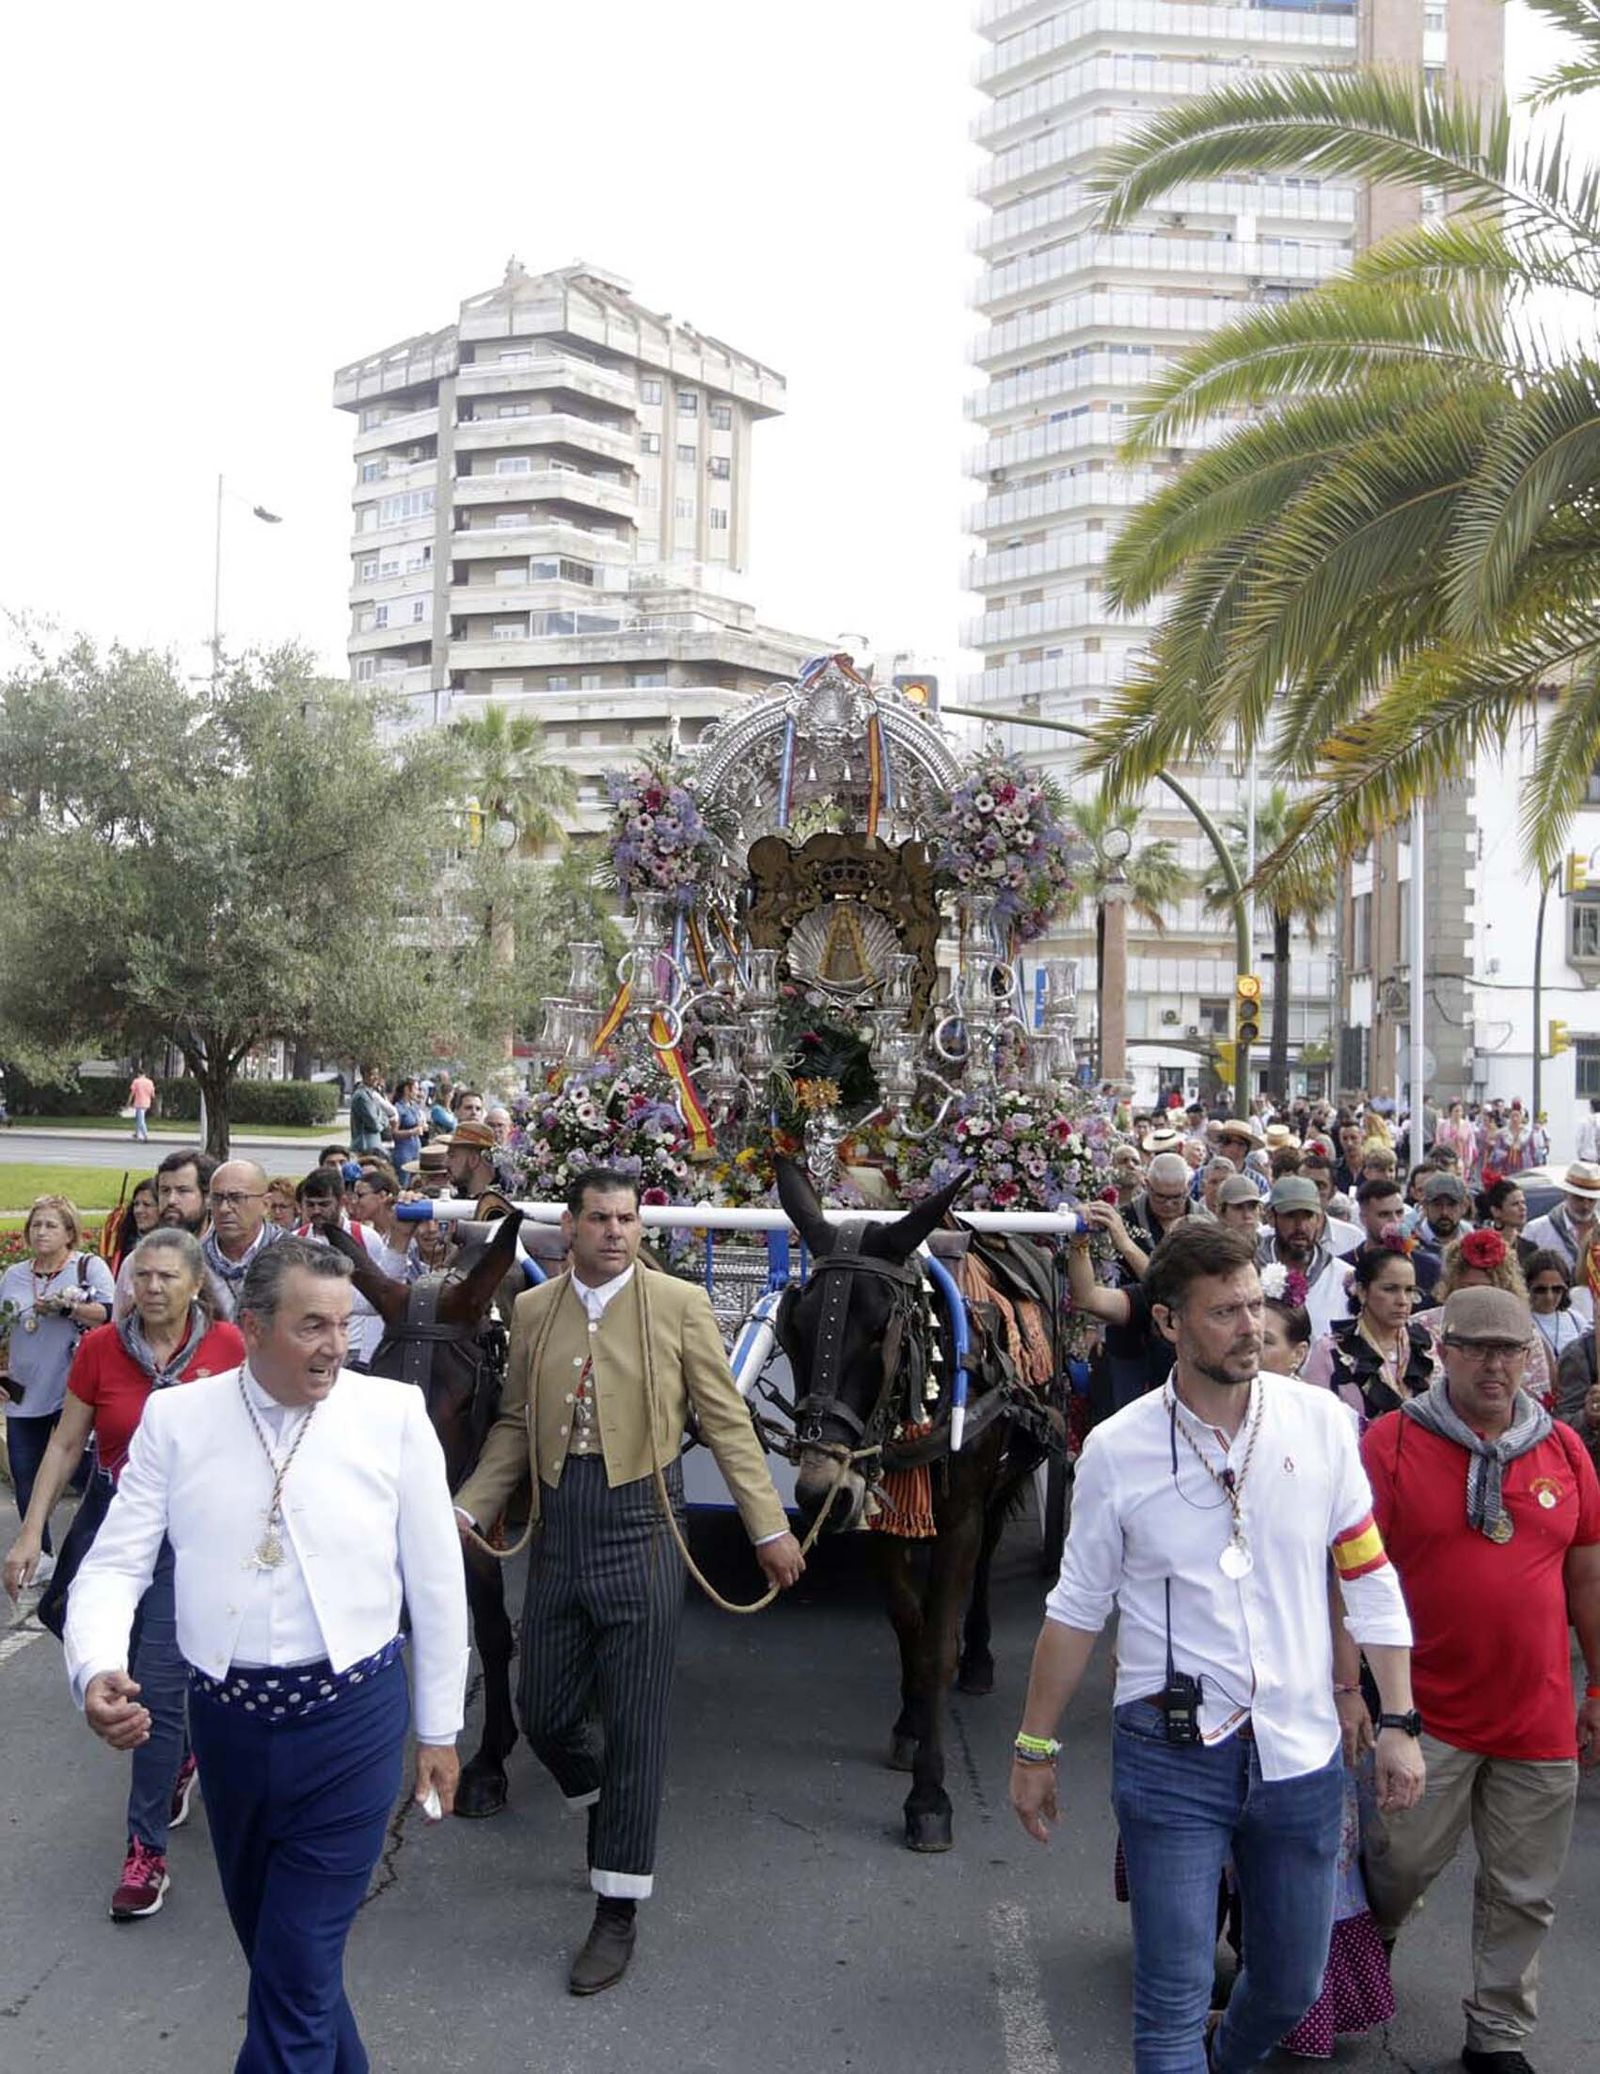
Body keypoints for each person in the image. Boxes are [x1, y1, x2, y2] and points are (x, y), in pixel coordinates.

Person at [1009, 1222, 1422, 2073]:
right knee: (1169, 2001)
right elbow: (1077, 1610)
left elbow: (1367, 1575)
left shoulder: (1319, 1425)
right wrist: (1034, 1746)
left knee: (1290, 1986)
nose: (1246, 1327)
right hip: (1169, 1756)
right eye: (1223, 1311)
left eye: (1254, 1307)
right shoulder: (1118, 1451)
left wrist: (1398, 1718)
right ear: (1167, 1323)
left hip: (1300, 1752)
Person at [60, 1239, 467, 2067]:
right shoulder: (178, 1421)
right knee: (288, 1968)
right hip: (229, 1731)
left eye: (342, 1324)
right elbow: (113, 1565)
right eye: (310, 1325)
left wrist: (439, 1730)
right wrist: (97, 1666)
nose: (334, 1345)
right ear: (249, 1326)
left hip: (351, 1724)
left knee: (294, 1973)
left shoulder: (391, 1415)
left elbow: (435, 1582)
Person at [452, 1168, 804, 1995]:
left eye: (627, 1219)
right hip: (558, 1529)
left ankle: (616, 1907)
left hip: (645, 1526)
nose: (615, 1231)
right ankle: (605, 1800)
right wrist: (467, 1510)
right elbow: (512, 1424)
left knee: (638, 1724)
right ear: (568, 1227)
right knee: (541, 1709)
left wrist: (769, 1527)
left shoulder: (679, 1305)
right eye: (599, 1218)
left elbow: (724, 1421)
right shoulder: (534, 1310)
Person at [1360, 1285, 1600, 2074]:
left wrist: (1597, 1688)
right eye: (1480, 1348)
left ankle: (1497, 2037)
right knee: (1397, 1867)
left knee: (1524, 1889)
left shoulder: (1564, 1451)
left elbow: (1589, 1582)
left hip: (1536, 1716)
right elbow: (1352, 1579)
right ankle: (1369, 1941)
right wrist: (1353, 1698)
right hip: (1424, 1715)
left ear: (1530, 1358)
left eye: (1512, 1350)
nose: (1497, 1366)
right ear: (1446, 1351)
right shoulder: (1390, 1445)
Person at [4, 1230, 245, 1916]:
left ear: (196, 1284)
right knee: (80, 1625)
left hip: (195, 1532)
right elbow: (65, 1443)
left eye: (168, 1276)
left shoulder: (230, 1350)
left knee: (156, 1682)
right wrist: (28, 1533)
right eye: (142, 1276)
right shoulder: (103, 1348)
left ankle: (146, 1853)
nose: (152, 1288)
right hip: (117, 1516)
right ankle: (179, 1757)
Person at [0, 1196, 115, 1578]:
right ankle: (42, 1552)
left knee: (85, 1471)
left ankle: (104, 1541)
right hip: (24, 1388)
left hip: (73, 1389)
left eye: (51, 1225)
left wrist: (69, 1309)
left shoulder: (87, 1267)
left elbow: (111, 1317)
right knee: (25, 1470)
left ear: (69, 1232)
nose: (41, 1232)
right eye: (36, 1225)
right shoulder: (14, 1275)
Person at [1304, 1240, 1438, 1420]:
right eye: (1390, 1289)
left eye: (1409, 1290)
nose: (1403, 1300)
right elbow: (1314, 1419)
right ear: (1362, 1291)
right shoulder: (1331, 1351)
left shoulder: (1428, 1344)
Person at [1067, 1202, 1175, 1413]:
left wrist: (1125, 1243)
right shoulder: (1151, 1299)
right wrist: (1080, 1240)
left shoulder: (1226, 1299)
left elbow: (1177, 1292)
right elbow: (1087, 1297)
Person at [1257, 1175, 1353, 1340]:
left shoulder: (1344, 1278)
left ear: (1319, 1219)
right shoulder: (1250, 1272)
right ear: (1271, 1217)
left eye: (1308, 1215)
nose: (1300, 1226)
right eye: (1290, 1215)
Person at [200, 1160, 283, 1322]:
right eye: (217, 1198)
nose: (224, 1208)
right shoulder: (192, 1261)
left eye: (236, 1198)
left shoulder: (295, 1257)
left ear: (266, 1204)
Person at [1523, 1159, 1600, 1282]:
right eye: (1579, 1198)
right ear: (1566, 1193)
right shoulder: (1536, 1231)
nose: (1585, 1206)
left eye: (1591, 1200)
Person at [1122, 1152, 1195, 1259]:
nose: (1169, 1204)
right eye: (1161, 1197)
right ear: (1147, 1185)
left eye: (1176, 1197)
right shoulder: (1126, 1219)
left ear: (1188, 1187)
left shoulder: (1205, 1220)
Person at [1482, 1178, 1537, 1270]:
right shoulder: (1482, 1246)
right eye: (1515, 1204)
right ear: (1496, 1211)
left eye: (1523, 1202)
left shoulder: (1530, 1249)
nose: (1522, 1208)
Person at [110, 1178, 161, 1276]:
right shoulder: (125, 1244)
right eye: (136, 1204)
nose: (138, 1210)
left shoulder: (173, 1248)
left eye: (147, 1205)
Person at [390, 1076, 423, 1174]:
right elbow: (394, 1133)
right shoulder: (398, 1108)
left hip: (416, 1149)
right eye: (416, 1089)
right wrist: (411, 1132)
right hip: (404, 1151)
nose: (417, 1092)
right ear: (407, 1090)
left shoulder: (414, 1106)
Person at [128, 1066, 156, 1144]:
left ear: (138, 1074)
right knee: (138, 1118)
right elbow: (153, 1094)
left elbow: (132, 1093)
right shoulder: (150, 1082)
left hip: (139, 1102)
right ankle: (137, 1133)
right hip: (147, 1102)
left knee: (141, 1120)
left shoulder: (136, 1081)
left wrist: (129, 1101)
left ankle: (145, 1136)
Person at [1575, 1096, 1600, 1167]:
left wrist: (1579, 1154)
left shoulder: (1583, 1121)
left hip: (1586, 1156)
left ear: (1591, 1107)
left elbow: (1578, 1139)